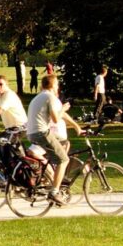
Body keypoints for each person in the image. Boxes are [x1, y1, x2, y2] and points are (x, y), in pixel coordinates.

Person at [26, 73, 83, 204]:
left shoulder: (39, 96)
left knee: (64, 142)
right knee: (64, 159)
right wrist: (63, 108)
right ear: (53, 85)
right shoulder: (51, 97)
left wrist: (76, 127)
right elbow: (56, 118)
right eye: (57, 84)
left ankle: (50, 174)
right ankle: (54, 191)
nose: (58, 86)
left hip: (33, 133)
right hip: (41, 132)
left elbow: (59, 115)